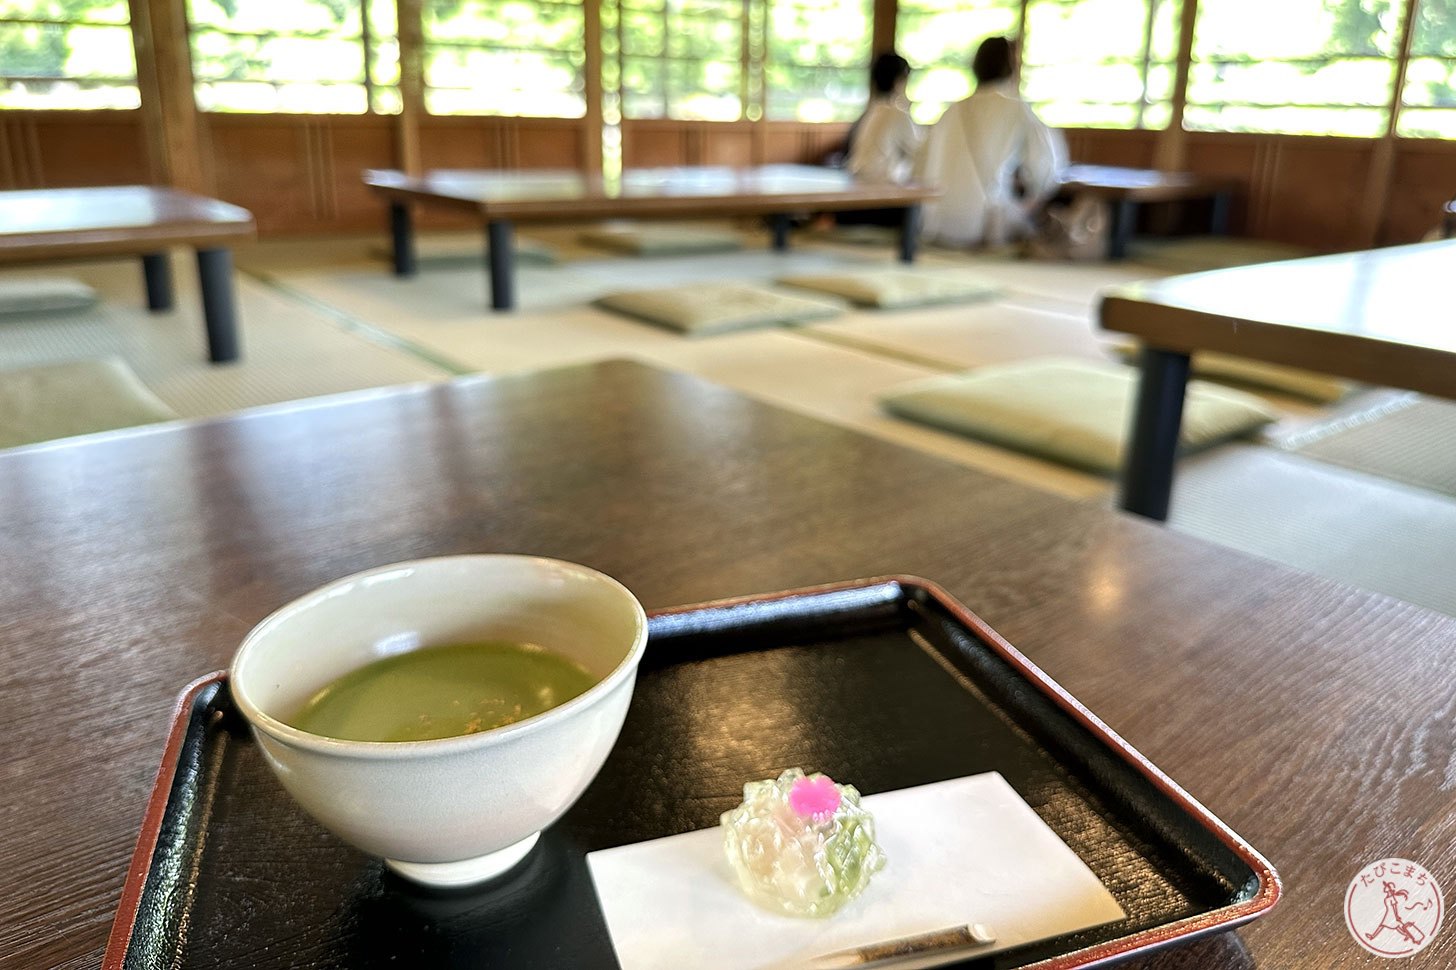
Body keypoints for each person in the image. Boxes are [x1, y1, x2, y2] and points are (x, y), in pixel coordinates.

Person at [914, 36, 1067, 247]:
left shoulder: (952, 109)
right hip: (984, 227)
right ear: (1012, 66)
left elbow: (919, 164)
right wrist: (1032, 194)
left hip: (935, 224)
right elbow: (1048, 166)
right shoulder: (1016, 108)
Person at [846, 52, 920, 185]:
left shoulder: (871, 110)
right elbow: (918, 150)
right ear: (899, 81)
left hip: (857, 180)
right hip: (882, 186)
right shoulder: (897, 114)